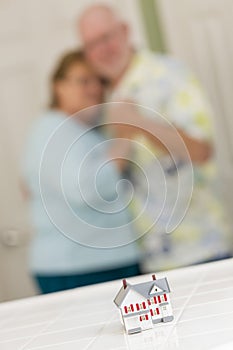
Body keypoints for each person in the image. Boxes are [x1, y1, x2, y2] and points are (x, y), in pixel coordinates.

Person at [78, 5, 232, 271]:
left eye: (107, 37)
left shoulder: (168, 75)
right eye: (92, 44)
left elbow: (201, 151)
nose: (102, 50)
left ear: (125, 32)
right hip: (150, 259)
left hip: (201, 250)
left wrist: (137, 122)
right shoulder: (100, 95)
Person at [21, 50, 141, 294]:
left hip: (102, 261)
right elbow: (87, 189)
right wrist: (126, 135)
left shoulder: (85, 131)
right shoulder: (53, 129)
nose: (95, 88)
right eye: (84, 80)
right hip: (78, 267)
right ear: (59, 87)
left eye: (100, 81)